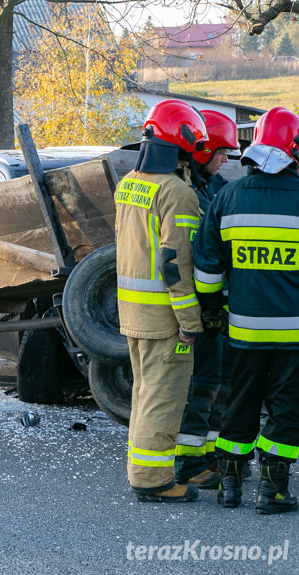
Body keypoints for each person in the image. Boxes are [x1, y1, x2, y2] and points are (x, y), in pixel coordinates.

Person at [194, 106, 299, 514]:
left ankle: (230, 485)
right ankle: (272, 491)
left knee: (240, 404)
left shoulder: (227, 198)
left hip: (242, 332)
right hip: (292, 335)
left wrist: (214, 309)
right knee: (287, 409)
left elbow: (206, 268)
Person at [115, 99, 207, 503]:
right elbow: (175, 265)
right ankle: (152, 479)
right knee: (162, 397)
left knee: (144, 393)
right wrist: (190, 320)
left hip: (132, 312)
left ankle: (142, 468)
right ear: (182, 142)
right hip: (165, 317)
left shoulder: (129, 183)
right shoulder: (178, 193)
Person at [174, 110, 239, 488]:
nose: (226, 160)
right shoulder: (184, 191)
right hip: (195, 307)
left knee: (220, 381)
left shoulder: (213, 188)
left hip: (215, 306)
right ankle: (187, 464)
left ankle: (210, 456)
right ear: (200, 151)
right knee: (200, 384)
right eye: (221, 152)